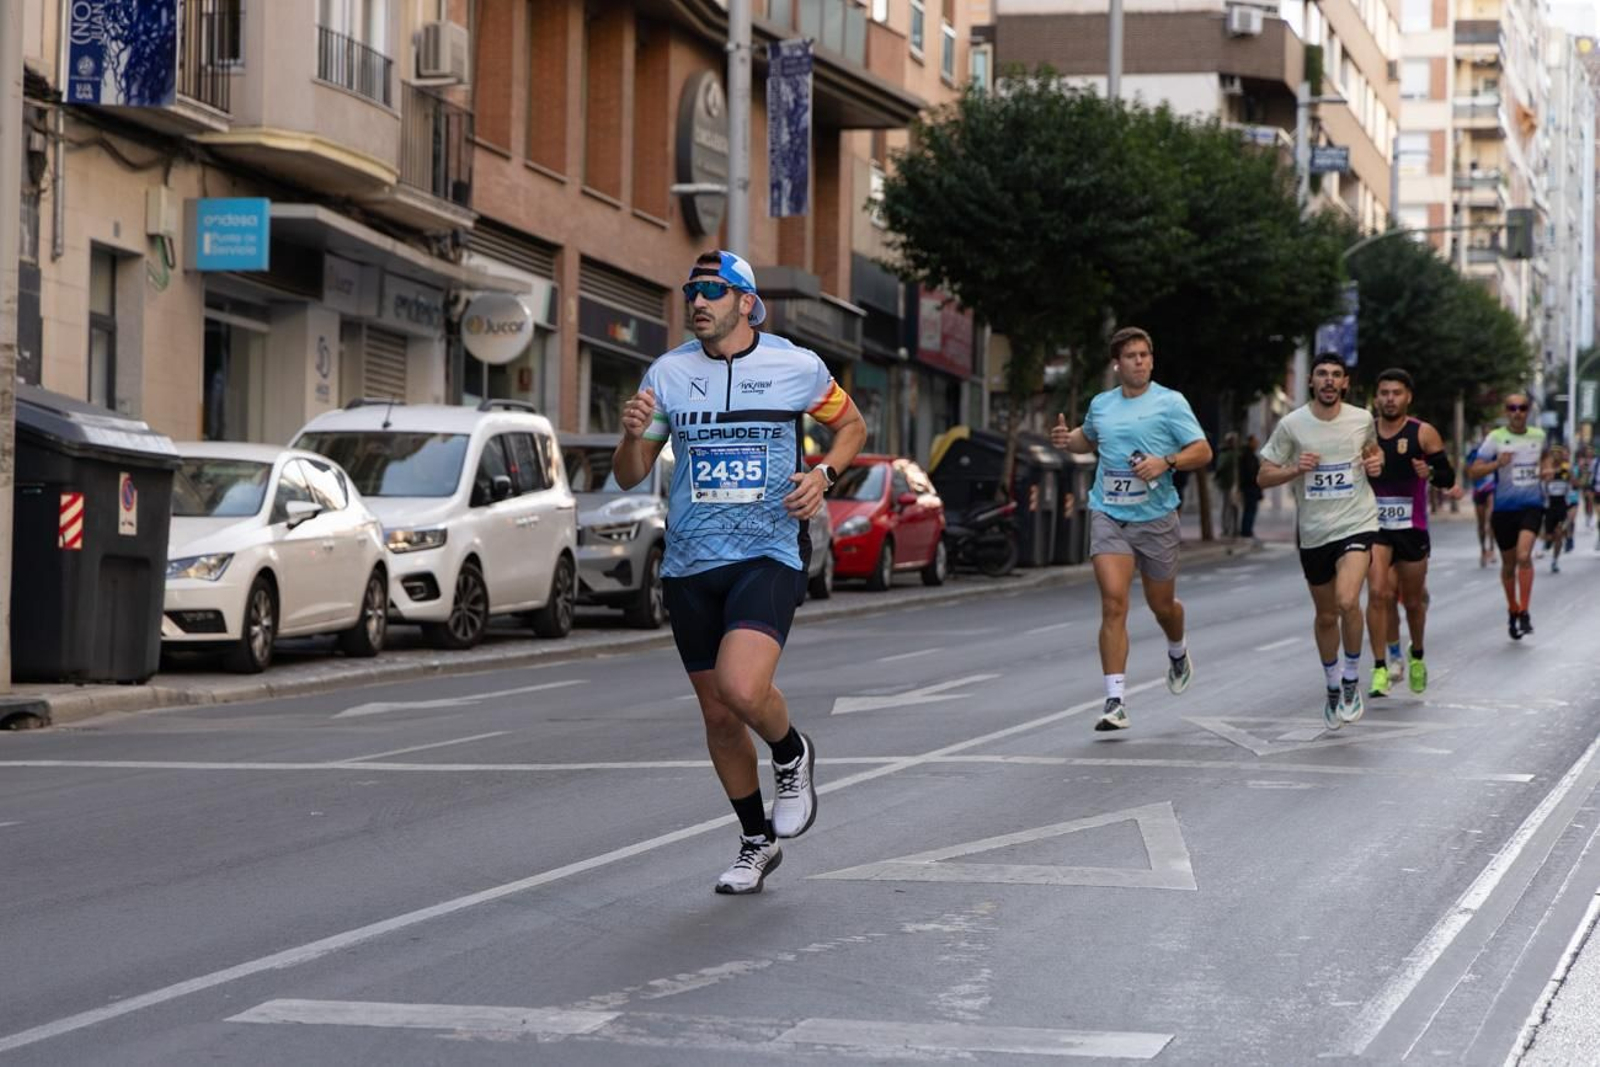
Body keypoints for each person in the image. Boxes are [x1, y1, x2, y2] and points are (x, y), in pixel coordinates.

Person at [613, 250, 866, 895]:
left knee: (741, 687)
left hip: (768, 549)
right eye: (692, 291)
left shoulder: (795, 366)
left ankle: (791, 753)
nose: (698, 302)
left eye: (713, 291)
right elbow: (630, 473)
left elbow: (852, 426)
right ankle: (756, 842)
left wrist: (823, 474)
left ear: (746, 303)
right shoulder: (667, 374)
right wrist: (631, 435)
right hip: (691, 561)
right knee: (719, 716)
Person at [1050, 326, 1212, 731]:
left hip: (1156, 519)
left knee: (1162, 606)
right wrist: (1065, 440)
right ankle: (1115, 699)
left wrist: (1167, 462)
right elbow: (1089, 440)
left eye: (1144, 355)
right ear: (1116, 364)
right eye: (1131, 356)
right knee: (1114, 602)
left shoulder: (1170, 403)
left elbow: (1203, 450)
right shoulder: (1103, 405)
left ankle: (1177, 648)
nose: (1139, 361)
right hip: (1110, 514)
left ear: (1151, 360)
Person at [1257, 355, 1383, 730]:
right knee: (1326, 615)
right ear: (1311, 381)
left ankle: (1350, 679)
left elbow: (1373, 454)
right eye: (1322, 375)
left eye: (1336, 376)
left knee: (1348, 599)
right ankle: (1331, 685)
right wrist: (1296, 469)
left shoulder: (1361, 419)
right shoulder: (1291, 425)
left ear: (1345, 383)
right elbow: (1263, 476)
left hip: (1357, 521)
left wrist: (1376, 464)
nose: (1329, 381)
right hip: (1314, 532)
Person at [1363, 369, 1457, 698]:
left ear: (1408, 397)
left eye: (1396, 393)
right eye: (1384, 392)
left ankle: (1416, 656)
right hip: (1374, 527)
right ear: (1377, 397)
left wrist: (1429, 471)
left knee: (1413, 602)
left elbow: (1447, 476)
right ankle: (1381, 665)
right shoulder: (1364, 431)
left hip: (1412, 528)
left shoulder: (1423, 433)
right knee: (1379, 594)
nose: (1390, 398)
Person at [1466, 394, 1552, 640]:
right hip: (1503, 510)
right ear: (1506, 411)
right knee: (1509, 565)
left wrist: (1545, 468)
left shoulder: (1538, 435)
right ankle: (1512, 608)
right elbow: (1473, 471)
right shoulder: (1495, 438)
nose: (1517, 412)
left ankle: (1524, 611)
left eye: (1522, 408)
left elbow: (1545, 456)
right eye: (1512, 408)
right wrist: (1496, 464)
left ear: (1529, 411)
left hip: (1532, 506)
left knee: (1524, 556)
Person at [1542, 446, 1574, 574]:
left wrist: (1567, 474)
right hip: (1549, 506)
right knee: (1549, 536)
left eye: (1558, 454)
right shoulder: (1546, 469)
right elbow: (1543, 481)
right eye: (1553, 454)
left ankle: (1555, 560)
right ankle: (1548, 541)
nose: (1556, 456)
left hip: (1561, 504)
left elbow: (1569, 479)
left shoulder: (1565, 469)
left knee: (1559, 534)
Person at [1467, 442, 1497, 567]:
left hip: (1491, 489)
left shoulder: (1495, 453)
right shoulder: (1474, 453)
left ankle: (1492, 549)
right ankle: (1483, 550)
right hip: (1478, 491)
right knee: (1481, 524)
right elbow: (1469, 472)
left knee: (1490, 520)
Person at [1215, 432, 1241, 539]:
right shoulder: (1227, 454)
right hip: (1227, 485)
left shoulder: (1234, 454)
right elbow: (1221, 468)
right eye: (1233, 441)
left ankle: (1234, 529)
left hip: (1234, 485)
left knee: (1234, 507)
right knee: (1227, 507)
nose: (1234, 443)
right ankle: (1226, 529)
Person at [1238, 434, 1263, 543]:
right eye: (1255, 442)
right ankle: (1246, 531)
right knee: (1249, 510)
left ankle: (1247, 530)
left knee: (1250, 510)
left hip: (1251, 487)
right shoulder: (1248, 456)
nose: (1257, 444)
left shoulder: (1250, 455)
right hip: (1250, 487)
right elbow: (1250, 474)